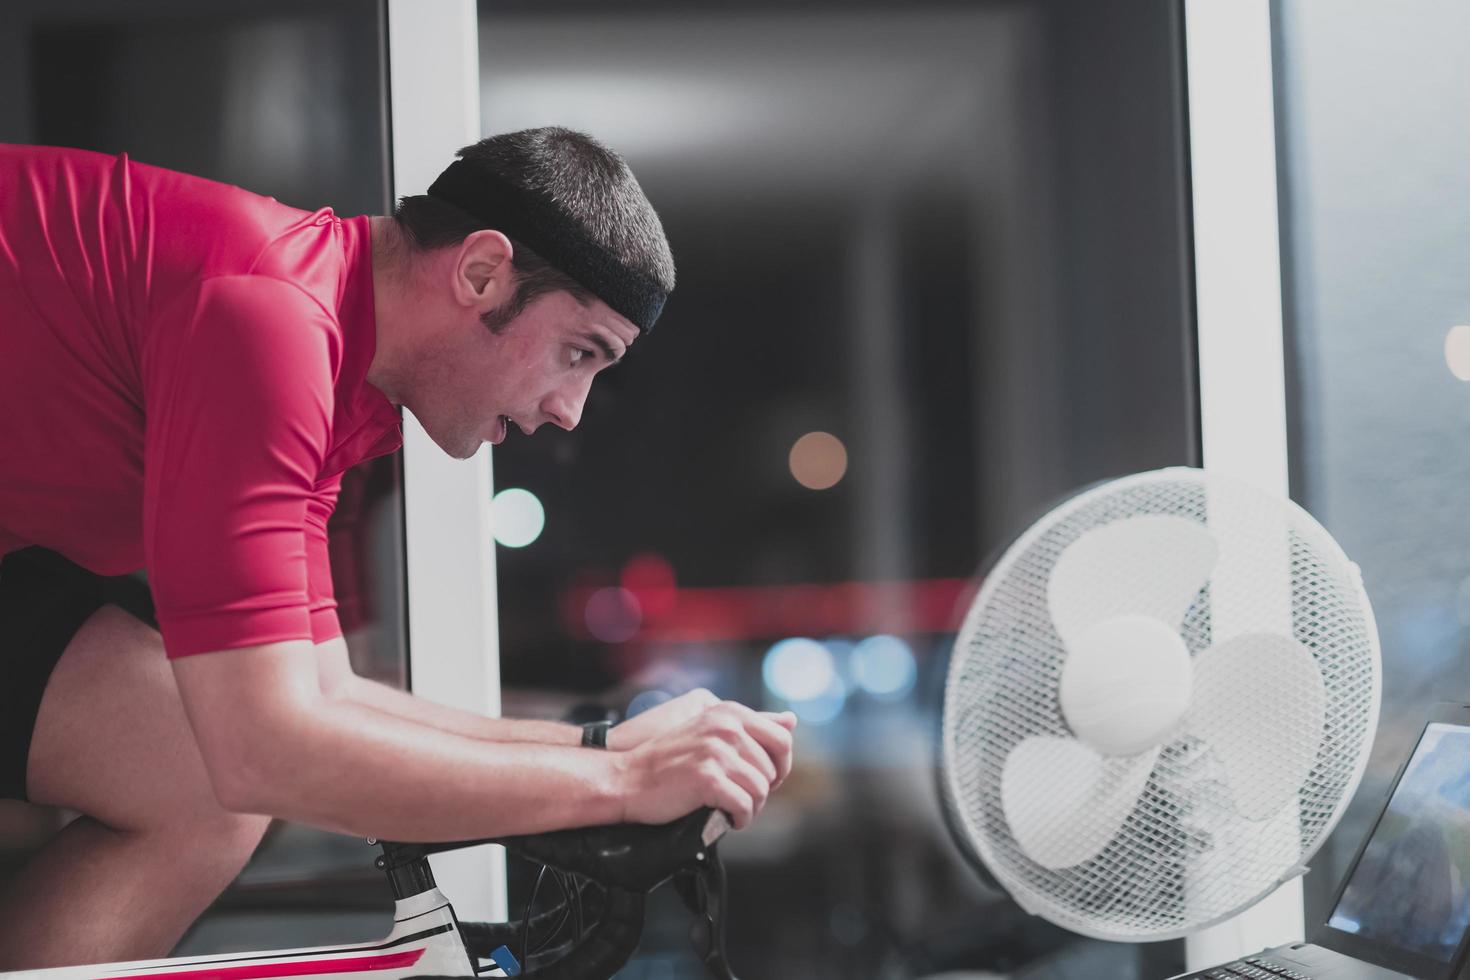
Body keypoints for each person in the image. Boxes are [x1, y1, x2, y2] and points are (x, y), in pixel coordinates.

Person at [0, 128, 796, 969]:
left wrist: (603, 749)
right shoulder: (268, 319)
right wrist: (624, 789)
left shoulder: (332, 361)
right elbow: (264, 750)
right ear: (482, 272)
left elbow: (322, 697)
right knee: (210, 776)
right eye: (578, 354)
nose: (570, 411)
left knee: (189, 779)